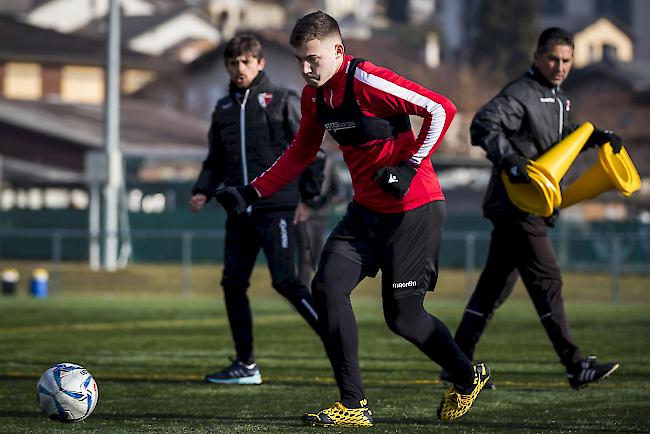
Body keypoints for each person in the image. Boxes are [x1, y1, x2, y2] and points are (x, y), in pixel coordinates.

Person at [212, 11, 491, 427]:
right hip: (366, 212)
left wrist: (412, 164)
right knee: (325, 287)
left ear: (338, 51)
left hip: (413, 210)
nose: (306, 69)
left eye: (313, 59)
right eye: (299, 61)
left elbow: (441, 108)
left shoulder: (367, 80)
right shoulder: (313, 97)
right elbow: (301, 153)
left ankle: (468, 376)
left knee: (404, 319)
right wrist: (253, 191)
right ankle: (353, 404)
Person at [445, 27, 621, 390]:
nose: (560, 67)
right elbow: (482, 126)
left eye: (567, 61)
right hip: (518, 204)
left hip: (527, 206)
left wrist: (593, 137)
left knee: (493, 289)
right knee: (548, 281)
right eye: (553, 59)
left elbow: (552, 137)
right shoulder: (521, 93)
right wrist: (510, 160)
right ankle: (575, 365)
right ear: (537, 57)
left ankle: (455, 363)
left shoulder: (557, 98)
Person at [189, 34, 324, 385]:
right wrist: (202, 190)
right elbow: (215, 159)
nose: (239, 68)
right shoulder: (223, 109)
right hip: (238, 211)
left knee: (286, 282)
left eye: (246, 62)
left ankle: (336, 339)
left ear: (260, 63)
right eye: (233, 63)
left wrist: (308, 199)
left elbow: (313, 152)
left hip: (276, 208)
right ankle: (245, 365)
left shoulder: (282, 100)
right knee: (232, 284)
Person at [295, 134, 347, 287]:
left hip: (320, 212)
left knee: (315, 252)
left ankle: (311, 289)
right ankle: (302, 291)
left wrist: (338, 196)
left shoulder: (330, 159)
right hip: (303, 212)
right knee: (305, 252)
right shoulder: (301, 155)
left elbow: (338, 185)